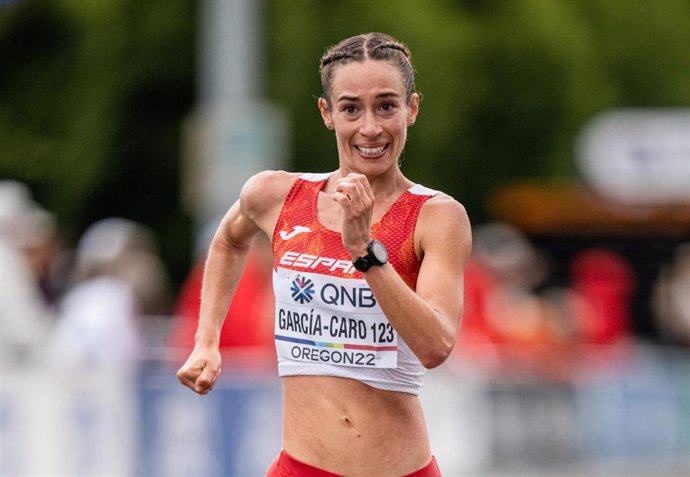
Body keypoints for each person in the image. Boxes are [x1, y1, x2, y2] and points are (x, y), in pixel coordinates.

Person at [177, 32, 471, 476]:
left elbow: (436, 345)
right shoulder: (276, 194)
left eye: (386, 106)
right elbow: (228, 239)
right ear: (327, 113)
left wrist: (366, 253)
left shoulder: (436, 216)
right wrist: (207, 341)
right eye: (351, 108)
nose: (370, 128)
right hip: (300, 466)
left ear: (412, 108)